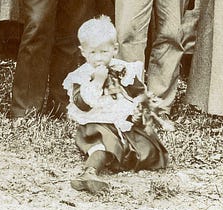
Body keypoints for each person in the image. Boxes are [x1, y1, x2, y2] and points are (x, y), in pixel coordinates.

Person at [64, 18, 168, 194]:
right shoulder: (81, 75)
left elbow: (138, 91)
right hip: (96, 122)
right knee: (103, 144)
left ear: (115, 49)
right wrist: (97, 82)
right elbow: (82, 104)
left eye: (104, 51)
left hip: (120, 121)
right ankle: (89, 173)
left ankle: (122, 160)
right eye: (92, 52)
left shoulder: (123, 69)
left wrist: (137, 109)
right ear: (83, 52)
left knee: (148, 149)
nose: (98, 58)